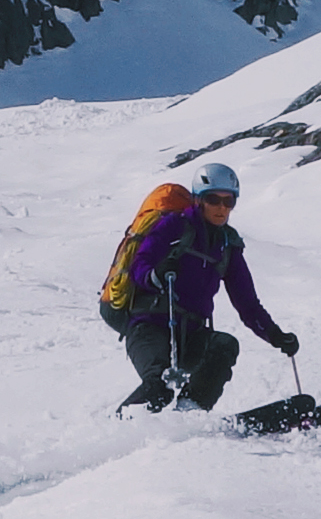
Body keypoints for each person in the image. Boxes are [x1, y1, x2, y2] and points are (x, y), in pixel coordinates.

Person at [117, 162, 300, 412]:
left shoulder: (228, 244)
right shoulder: (174, 226)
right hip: (149, 327)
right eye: (214, 199)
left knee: (225, 345)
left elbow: (247, 304)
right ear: (198, 200)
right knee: (158, 386)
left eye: (229, 201)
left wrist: (275, 335)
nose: (222, 208)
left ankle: (189, 413)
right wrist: (156, 274)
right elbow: (140, 265)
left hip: (191, 335)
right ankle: (119, 427)